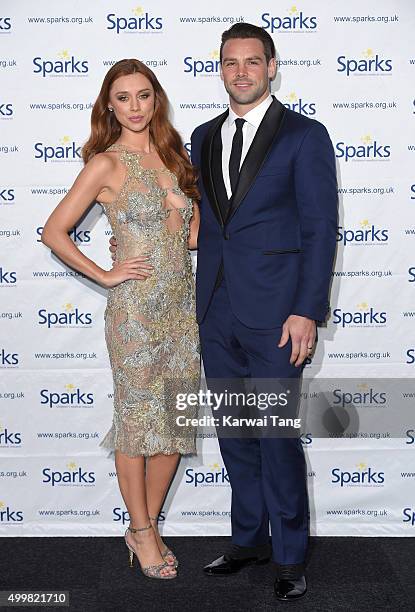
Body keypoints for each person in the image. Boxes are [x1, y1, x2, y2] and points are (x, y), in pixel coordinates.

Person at [111, 22, 338, 600]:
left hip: (278, 315)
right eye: (230, 63)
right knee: (237, 435)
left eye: (252, 62)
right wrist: (139, 242)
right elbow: (206, 224)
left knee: (277, 435)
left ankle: (289, 556)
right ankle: (248, 540)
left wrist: (307, 310)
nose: (241, 72)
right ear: (220, 69)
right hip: (212, 310)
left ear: (271, 66)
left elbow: (319, 229)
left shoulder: (305, 136)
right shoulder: (205, 137)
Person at [41, 59, 200, 580]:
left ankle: (143, 528)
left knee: (175, 426)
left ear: (157, 100)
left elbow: (194, 238)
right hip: (134, 313)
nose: (135, 107)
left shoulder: (175, 158)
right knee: (136, 427)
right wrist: (106, 274)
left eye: (144, 95)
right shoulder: (105, 165)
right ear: (109, 104)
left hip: (181, 310)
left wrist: (190, 209)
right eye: (124, 97)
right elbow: (54, 231)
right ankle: (142, 530)